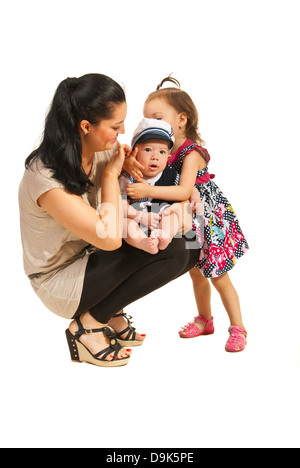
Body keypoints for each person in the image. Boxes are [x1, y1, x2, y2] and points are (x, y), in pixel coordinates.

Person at [18, 73, 200, 368]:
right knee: (166, 246)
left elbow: (148, 179)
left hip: (93, 257)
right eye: (116, 126)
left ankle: (109, 309)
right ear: (86, 127)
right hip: (61, 281)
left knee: (190, 247)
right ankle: (88, 325)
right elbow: (110, 237)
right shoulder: (46, 179)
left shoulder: (103, 152)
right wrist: (109, 175)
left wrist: (184, 199)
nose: (124, 131)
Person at [127, 76, 249, 353]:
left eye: (158, 118)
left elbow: (183, 190)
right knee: (195, 272)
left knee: (219, 275)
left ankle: (238, 326)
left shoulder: (192, 152)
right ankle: (205, 319)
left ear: (181, 119)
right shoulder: (162, 151)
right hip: (186, 218)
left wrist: (146, 189)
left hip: (208, 218)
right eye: (147, 120)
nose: (152, 125)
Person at [120, 118, 198, 254]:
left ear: (168, 158)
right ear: (134, 153)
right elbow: (121, 206)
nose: (155, 156)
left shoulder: (171, 174)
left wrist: (195, 196)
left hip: (161, 219)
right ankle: (144, 243)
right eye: (148, 150)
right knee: (125, 225)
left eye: (161, 152)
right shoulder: (128, 177)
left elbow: (187, 187)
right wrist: (140, 216)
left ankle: (164, 237)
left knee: (172, 215)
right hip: (137, 220)